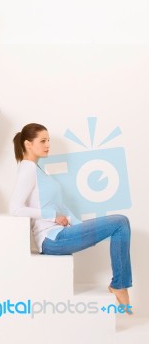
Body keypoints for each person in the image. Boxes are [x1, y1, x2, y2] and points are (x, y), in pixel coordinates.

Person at [10, 123, 132, 312]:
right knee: (120, 222)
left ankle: (119, 283)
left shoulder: (40, 170)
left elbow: (62, 208)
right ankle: (119, 284)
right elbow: (16, 209)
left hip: (62, 233)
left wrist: (81, 226)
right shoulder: (27, 169)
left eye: (48, 140)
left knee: (120, 223)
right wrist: (53, 216)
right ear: (28, 144)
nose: (48, 144)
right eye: (43, 141)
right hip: (51, 239)